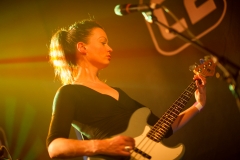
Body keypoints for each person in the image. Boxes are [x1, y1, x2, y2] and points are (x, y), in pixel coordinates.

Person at [46, 18, 207, 160]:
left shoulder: (118, 92)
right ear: (82, 47)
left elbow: (164, 128)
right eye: (103, 42)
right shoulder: (68, 93)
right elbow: (54, 147)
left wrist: (198, 104)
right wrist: (103, 146)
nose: (110, 48)